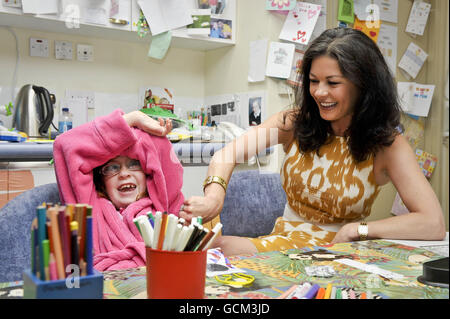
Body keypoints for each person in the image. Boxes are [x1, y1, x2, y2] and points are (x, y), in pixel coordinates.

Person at [179, 28, 446, 256]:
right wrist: (215, 196)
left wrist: (358, 229)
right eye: (313, 81)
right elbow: (227, 155)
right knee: (209, 248)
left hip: (341, 257)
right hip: (281, 246)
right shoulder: (293, 123)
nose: (319, 92)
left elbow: (432, 222)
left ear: (363, 85)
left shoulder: (387, 145)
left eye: (332, 82)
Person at [53, 109, 184, 270]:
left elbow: (159, 153)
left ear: (149, 174)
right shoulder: (90, 209)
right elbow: (64, 144)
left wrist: (148, 128)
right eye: (112, 168)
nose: (124, 174)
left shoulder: (162, 205)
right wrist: (133, 118)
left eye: (134, 164)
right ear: (101, 181)